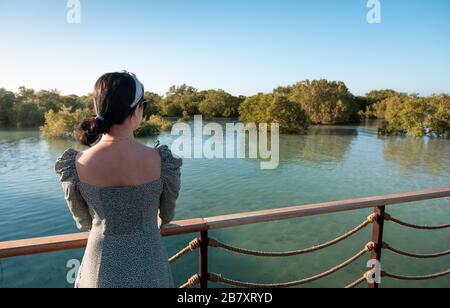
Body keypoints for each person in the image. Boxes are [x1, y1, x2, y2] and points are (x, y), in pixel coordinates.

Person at [54, 71, 182, 288]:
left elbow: (84, 222)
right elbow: (167, 215)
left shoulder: (75, 164)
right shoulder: (162, 162)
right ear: (136, 110)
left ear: (97, 108)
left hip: (99, 268)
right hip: (150, 265)